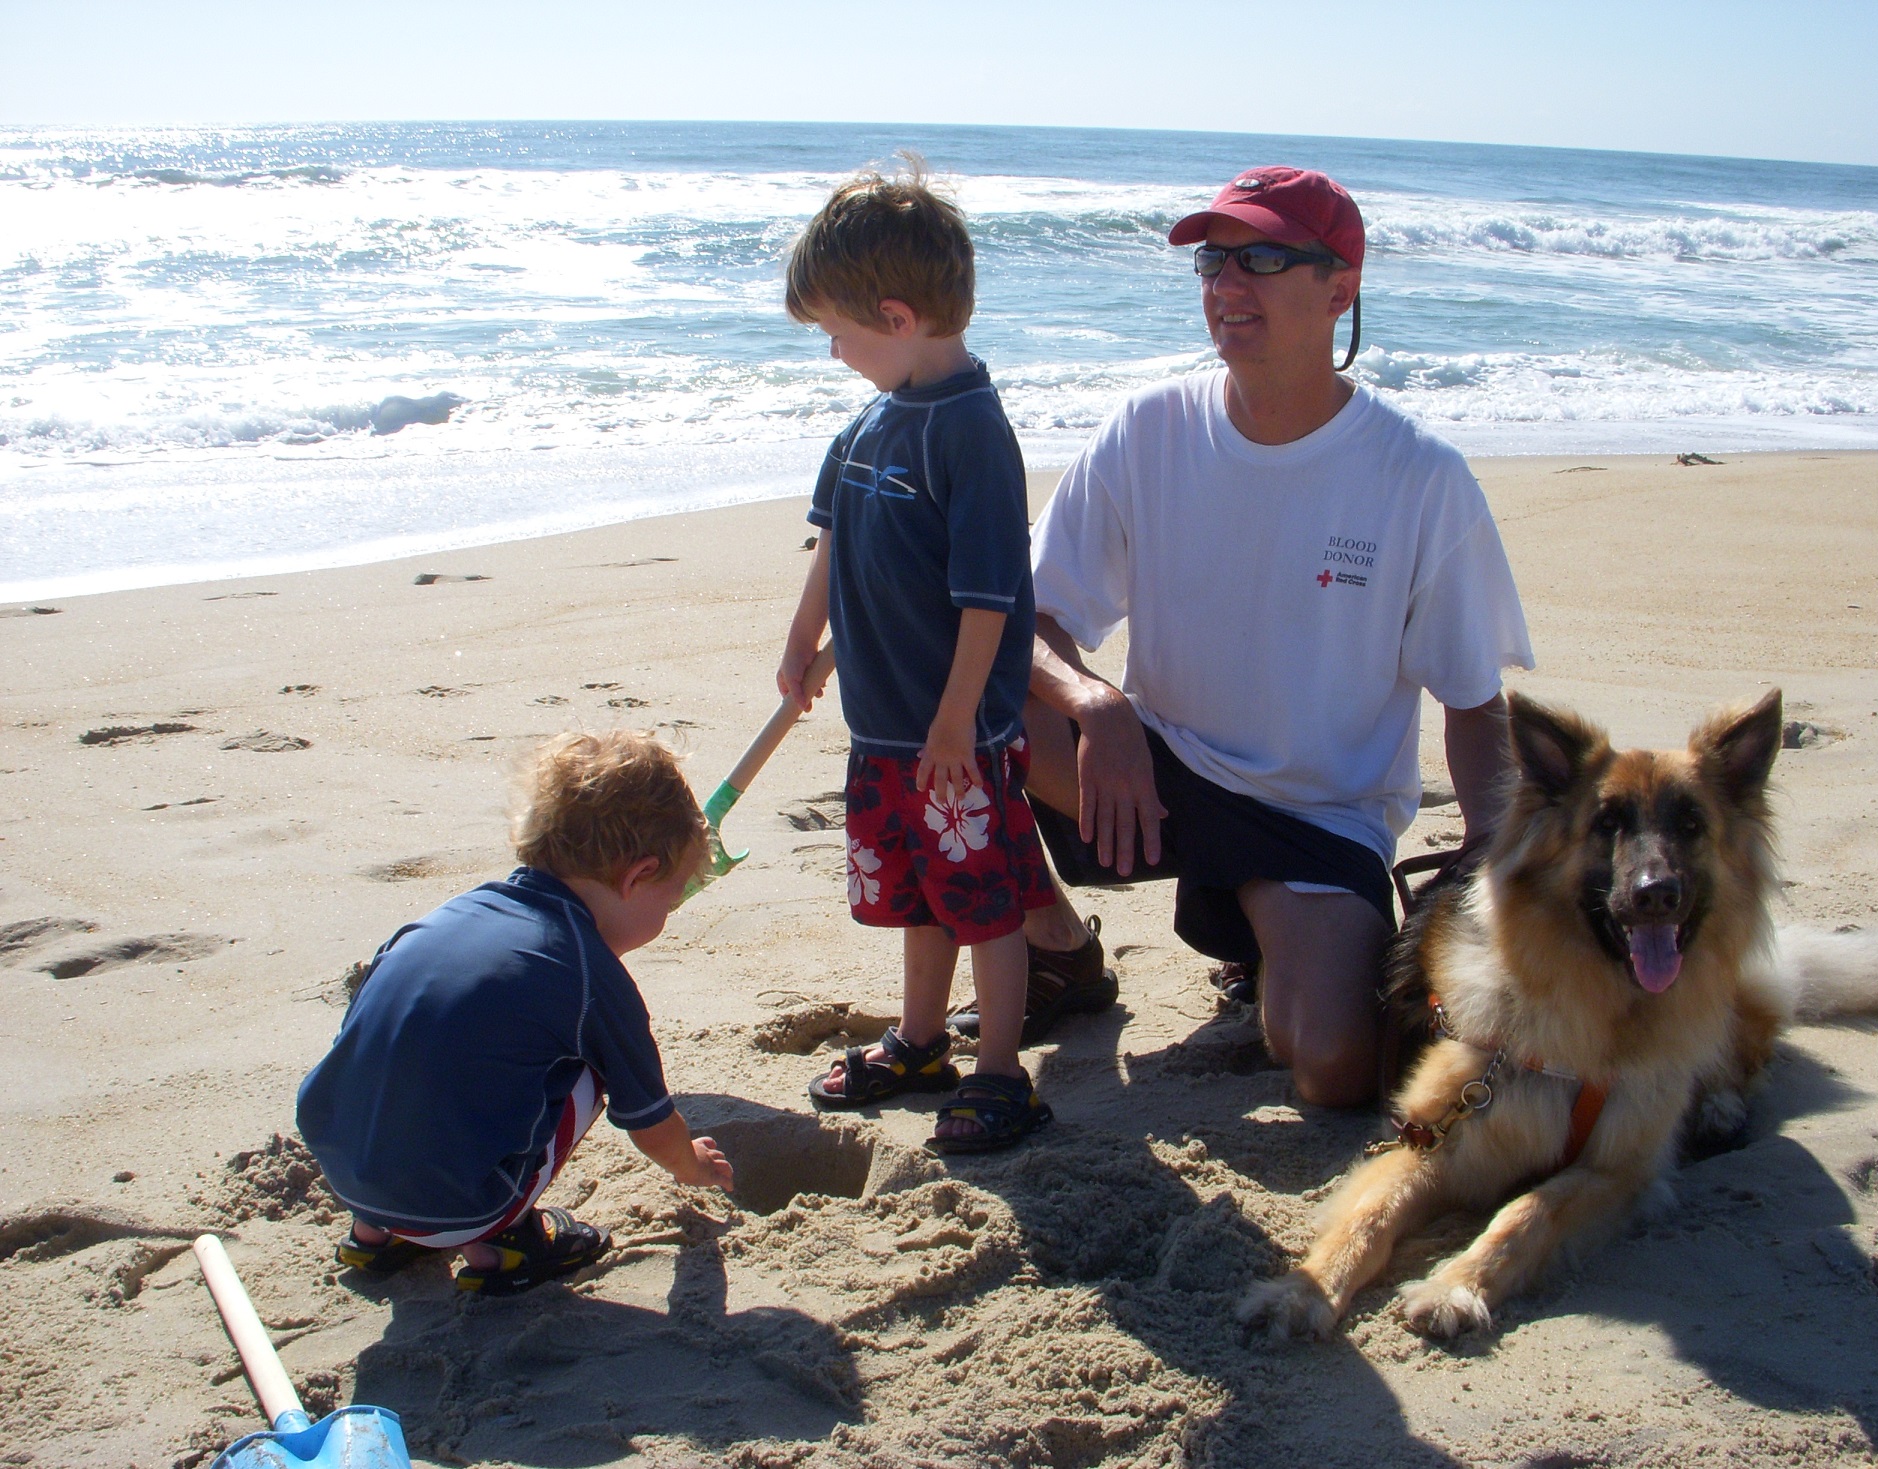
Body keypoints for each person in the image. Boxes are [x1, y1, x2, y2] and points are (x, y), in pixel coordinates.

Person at [1007, 166, 1533, 1109]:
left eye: (1261, 258)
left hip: (1316, 820)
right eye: (1213, 261)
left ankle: (1264, 928)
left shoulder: (1418, 475)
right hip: (1157, 778)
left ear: (1339, 288)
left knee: (1332, 1066)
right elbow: (1028, 617)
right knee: (965, 688)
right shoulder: (1148, 427)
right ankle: (1056, 948)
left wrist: (1493, 854)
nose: (1225, 284)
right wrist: (1096, 703)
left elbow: (1471, 700)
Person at [778, 163, 1066, 1151]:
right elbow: (835, 542)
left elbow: (988, 597)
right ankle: (920, 1038)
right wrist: (807, 644)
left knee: (984, 902)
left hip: (955, 735)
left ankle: (1001, 1071)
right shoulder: (869, 422)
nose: (833, 350)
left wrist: (955, 722)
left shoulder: (971, 433)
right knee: (919, 894)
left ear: (896, 318)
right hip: (883, 724)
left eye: (838, 332)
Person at [296, 730, 734, 1295]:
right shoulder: (589, 971)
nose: (666, 917)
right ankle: (501, 1241)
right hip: (462, 1206)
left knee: (425, 1053)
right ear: (636, 877)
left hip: (344, 1169)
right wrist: (692, 1165)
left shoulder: (447, 917)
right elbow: (649, 1123)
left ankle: (375, 1235)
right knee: (592, 1061)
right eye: (669, 901)